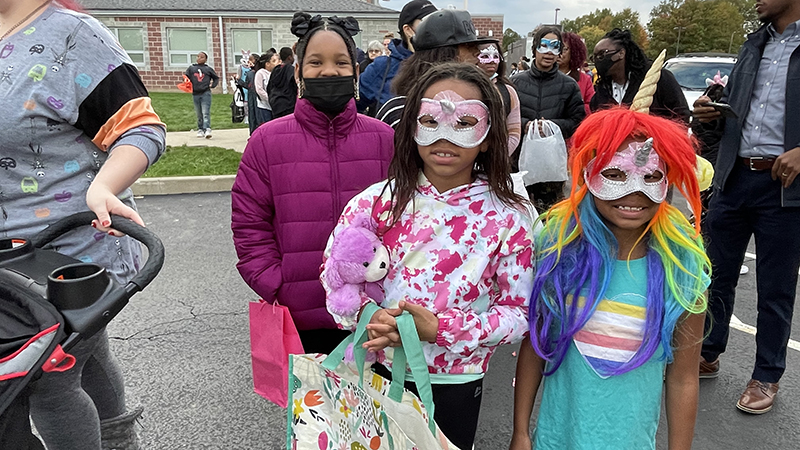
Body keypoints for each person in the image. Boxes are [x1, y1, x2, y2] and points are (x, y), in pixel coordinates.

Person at [323, 62, 533, 450]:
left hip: (456, 383)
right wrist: (372, 318)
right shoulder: (375, 203)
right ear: (413, 126)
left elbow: (520, 313)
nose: (446, 136)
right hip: (378, 369)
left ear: (488, 137)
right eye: (431, 120)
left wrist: (440, 330)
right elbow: (334, 276)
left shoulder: (509, 217)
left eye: (465, 121)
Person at [0, 0, 166, 449]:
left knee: (47, 381)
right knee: (84, 359)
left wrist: (105, 187)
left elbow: (143, 129)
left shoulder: (73, 35)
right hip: (10, 257)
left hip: (75, 252)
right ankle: (119, 440)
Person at [509, 108, 710, 450]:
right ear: (588, 174)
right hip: (556, 439)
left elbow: (683, 378)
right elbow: (537, 344)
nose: (634, 194)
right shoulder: (558, 249)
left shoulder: (682, 267)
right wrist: (521, 432)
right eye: (615, 174)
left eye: (650, 177)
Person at [231, 13, 395, 354]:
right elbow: (249, 221)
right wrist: (275, 283)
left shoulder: (385, 139)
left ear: (356, 70)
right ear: (298, 71)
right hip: (299, 315)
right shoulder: (267, 141)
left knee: (377, 406)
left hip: (375, 313)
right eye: (316, 62)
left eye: (340, 62)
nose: (329, 71)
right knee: (312, 406)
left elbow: (407, 216)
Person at [690, 0, 800, 414]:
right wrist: (709, 115)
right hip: (734, 178)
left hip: (785, 186)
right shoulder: (753, 44)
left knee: (775, 288)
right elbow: (735, 114)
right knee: (714, 276)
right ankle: (709, 351)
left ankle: (767, 375)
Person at [376, 9, 494, 129]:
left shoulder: (475, 107)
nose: (476, 53)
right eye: (469, 46)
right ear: (445, 55)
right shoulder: (401, 112)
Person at [511, 26, 586, 212]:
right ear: (535, 48)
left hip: (551, 164)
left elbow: (577, 120)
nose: (549, 52)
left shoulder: (569, 86)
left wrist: (553, 127)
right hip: (519, 160)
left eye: (555, 47)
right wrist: (524, 125)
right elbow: (504, 117)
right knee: (519, 211)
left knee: (550, 214)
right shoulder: (516, 83)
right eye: (544, 45)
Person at [590, 29, 689, 124]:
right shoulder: (601, 92)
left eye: (602, 54)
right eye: (594, 57)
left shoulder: (659, 78)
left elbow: (681, 117)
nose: (598, 60)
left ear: (621, 53)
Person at [358, 0, 436, 116]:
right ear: (408, 29)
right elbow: (353, 107)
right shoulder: (382, 67)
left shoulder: (444, 63)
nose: (435, 26)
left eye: (436, 20)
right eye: (427, 21)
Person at [477, 41, 522, 154]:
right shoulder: (461, 87)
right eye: (485, 56)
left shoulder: (508, 91)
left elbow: (514, 133)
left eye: (495, 56)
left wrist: (498, 157)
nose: (491, 61)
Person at [559, 32, 595, 116]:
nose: (559, 53)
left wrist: (574, 108)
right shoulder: (545, 76)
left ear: (574, 52)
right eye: (557, 48)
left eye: (564, 49)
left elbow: (591, 106)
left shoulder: (584, 79)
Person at [185, 51, 219, 139]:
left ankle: (207, 128)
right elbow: (186, 77)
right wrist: (187, 84)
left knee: (205, 112)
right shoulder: (192, 68)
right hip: (195, 93)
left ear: (206, 59)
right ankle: (200, 129)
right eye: (198, 57)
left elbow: (216, 78)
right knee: (199, 113)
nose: (199, 58)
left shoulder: (208, 69)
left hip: (205, 93)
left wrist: (213, 85)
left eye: (202, 57)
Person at [266, 47, 297, 118]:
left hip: (276, 104)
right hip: (289, 105)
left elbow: (269, 88)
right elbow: (295, 87)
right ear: (289, 57)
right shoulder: (291, 70)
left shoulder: (275, 70)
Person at [253, 50, 279, 128]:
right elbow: (259, 89)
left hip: (275, 106)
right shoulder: (261, 73)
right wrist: (270, 99)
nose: (277, 63)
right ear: (267, 64)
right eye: (274, 61)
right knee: (266, 126)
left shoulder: (277, 72)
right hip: (264, 106)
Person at [236, 52, 261, 135]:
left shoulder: (259, 72)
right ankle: (253, 132)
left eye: (251, 60)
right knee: (252, 114)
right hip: (251, 95)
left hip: (257, 96)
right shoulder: (250, 73)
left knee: (257, 114)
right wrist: (239, 81)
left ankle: (257, 131)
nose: (248, 62)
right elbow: (247, 85)